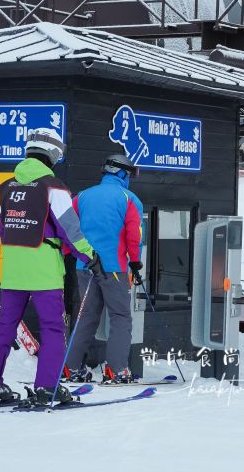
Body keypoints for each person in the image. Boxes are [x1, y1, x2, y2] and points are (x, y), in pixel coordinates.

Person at [0, 128, 100, 408]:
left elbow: (2, 229)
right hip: (43, 270)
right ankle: (47, 387)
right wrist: (90, 257)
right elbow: (70, 230)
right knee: (52, 328)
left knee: (5, 327)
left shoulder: (6, 188)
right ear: (52, 154)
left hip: (13, 269)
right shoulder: (53, 187)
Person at [62, 153, 145, 384]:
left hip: (84, 267)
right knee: (120, 316)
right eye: (129, 175)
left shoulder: (82, 197)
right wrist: (135, 262)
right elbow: (134, 235)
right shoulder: (129, 199)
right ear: (122, 174)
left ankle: (71, 367)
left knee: (87, 316)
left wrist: (70, 255)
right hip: (114, 268)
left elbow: (68, 228)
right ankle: (117, 370)